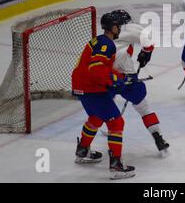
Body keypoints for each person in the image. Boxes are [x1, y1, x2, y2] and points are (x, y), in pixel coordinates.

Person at [71, 10, 135, 180]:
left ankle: (82, 151)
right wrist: (114, 80)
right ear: (113, 28)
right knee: (116, 123)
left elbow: (100, 68)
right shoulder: (107, 44)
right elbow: (96, 68)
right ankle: (116, 165)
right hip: (92, 88)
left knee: (96, 117)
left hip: (80, 86)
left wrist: (119, 77)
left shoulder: (100, 41)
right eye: (119, 26)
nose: (121, 28)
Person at [111, 9, 169, 156]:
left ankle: (85, 147)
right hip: (127, 76)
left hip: (106, 76)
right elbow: (148, 42)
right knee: (144, 109)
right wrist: (145, 54)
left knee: (103, 109)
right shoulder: (130, 27)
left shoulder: (106, 32)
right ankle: (158, 137)